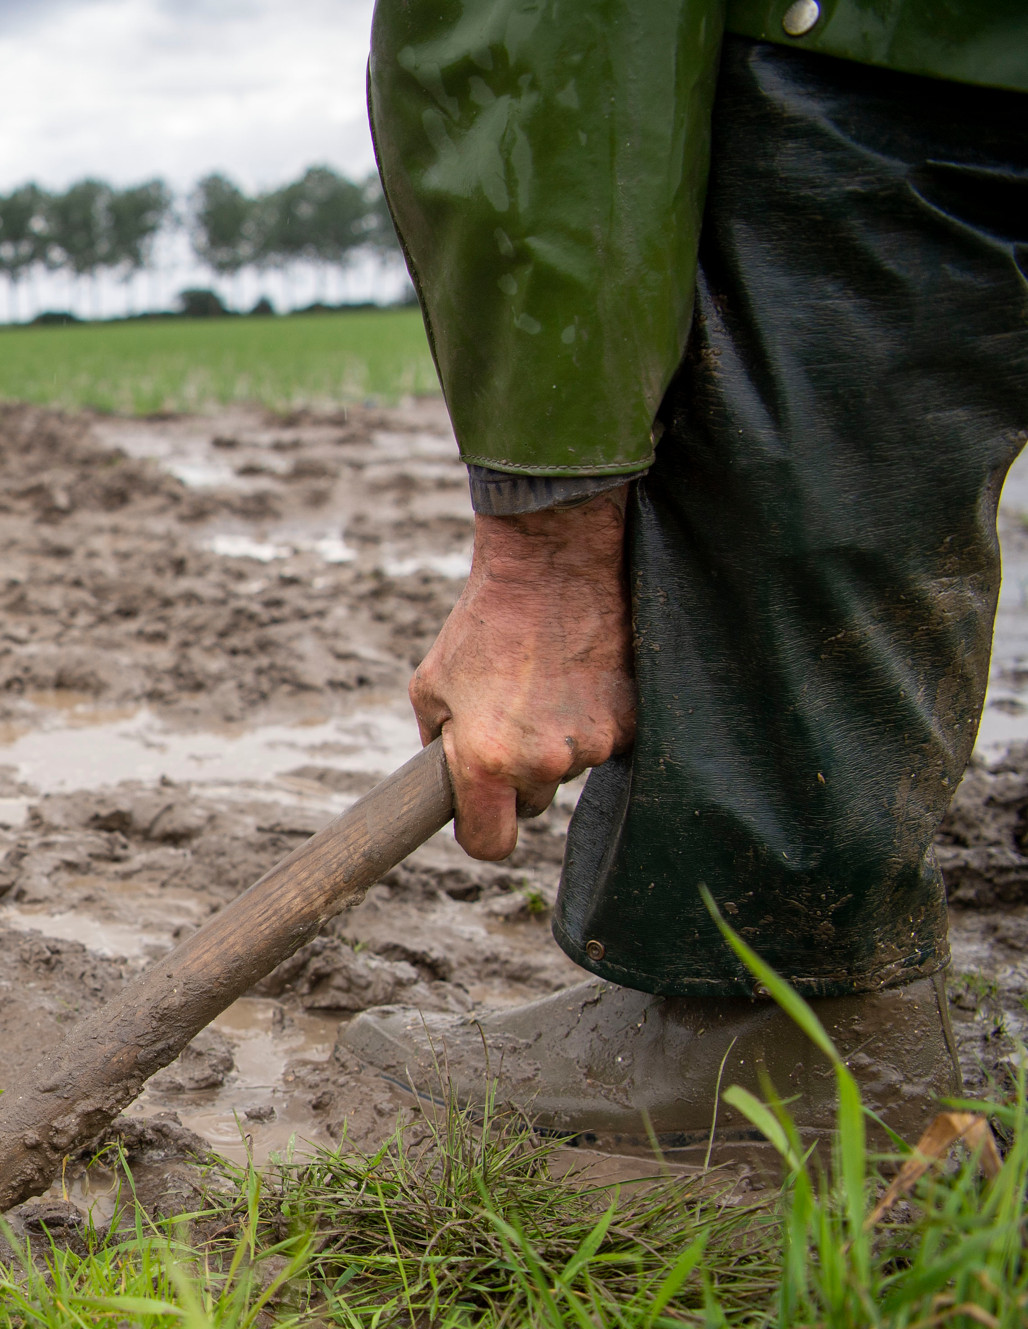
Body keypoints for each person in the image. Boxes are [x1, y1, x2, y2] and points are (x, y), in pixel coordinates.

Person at [339, 1, 1028, 1157]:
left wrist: (542, 563)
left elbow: (538, 49)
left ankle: (774, 1015)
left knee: (807, 364)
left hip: (874, 77)